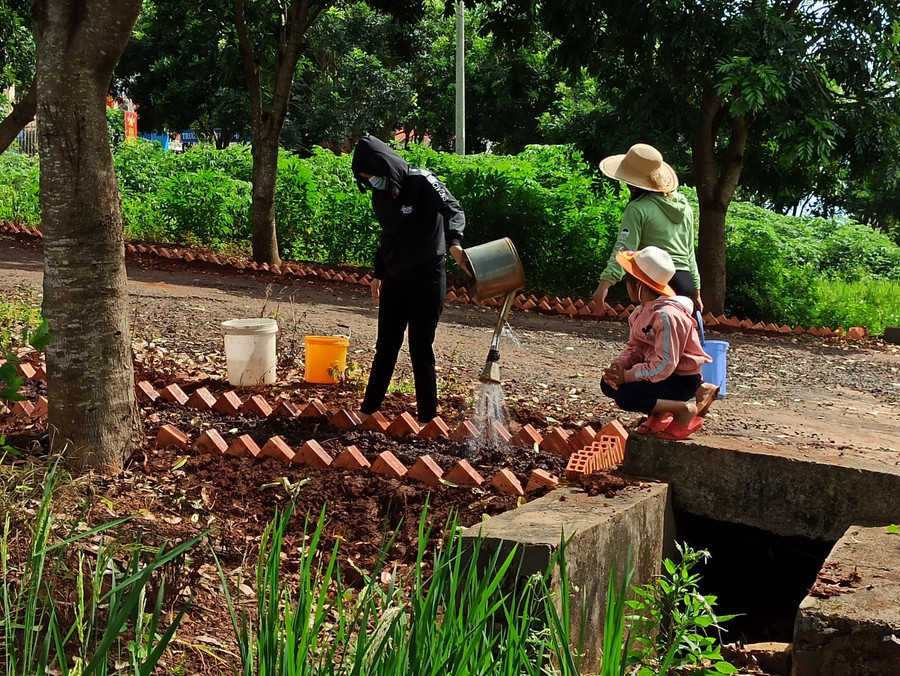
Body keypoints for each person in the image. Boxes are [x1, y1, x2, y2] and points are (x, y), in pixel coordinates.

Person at [351, 135, 470, 424]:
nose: (371, 182)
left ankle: (428, 417)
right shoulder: (380, 196)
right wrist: (379, 274)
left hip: (427, 277)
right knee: (386, 346)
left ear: (385, 166)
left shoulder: (421, 181)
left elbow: (452, 209)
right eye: (365, 178)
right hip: (395, 278)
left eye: (372, 175)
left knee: (420, 347)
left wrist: (455, 243)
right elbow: (389, 237)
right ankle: (368, 410)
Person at [600, 246, 718, 440]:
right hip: (661, 375)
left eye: (628, 280)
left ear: (639, 284)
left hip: (680, 379)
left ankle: (684, 410)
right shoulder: (641, 311)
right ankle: (660, 413)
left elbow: (664, 365)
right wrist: (620, 366)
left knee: (626, 397)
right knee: (608, 385)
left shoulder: (667, 316)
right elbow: (636, 347)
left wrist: (628, 376)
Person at [592, 143, 704, 314]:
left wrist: (605, 284)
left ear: (632, 182)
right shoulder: (685, 208)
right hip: (685, 285)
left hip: (656, 285)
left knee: (649, 338)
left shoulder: (637, 208)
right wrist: (696, 290)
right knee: (681, 339)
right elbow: (690, 253)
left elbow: (624, 249)